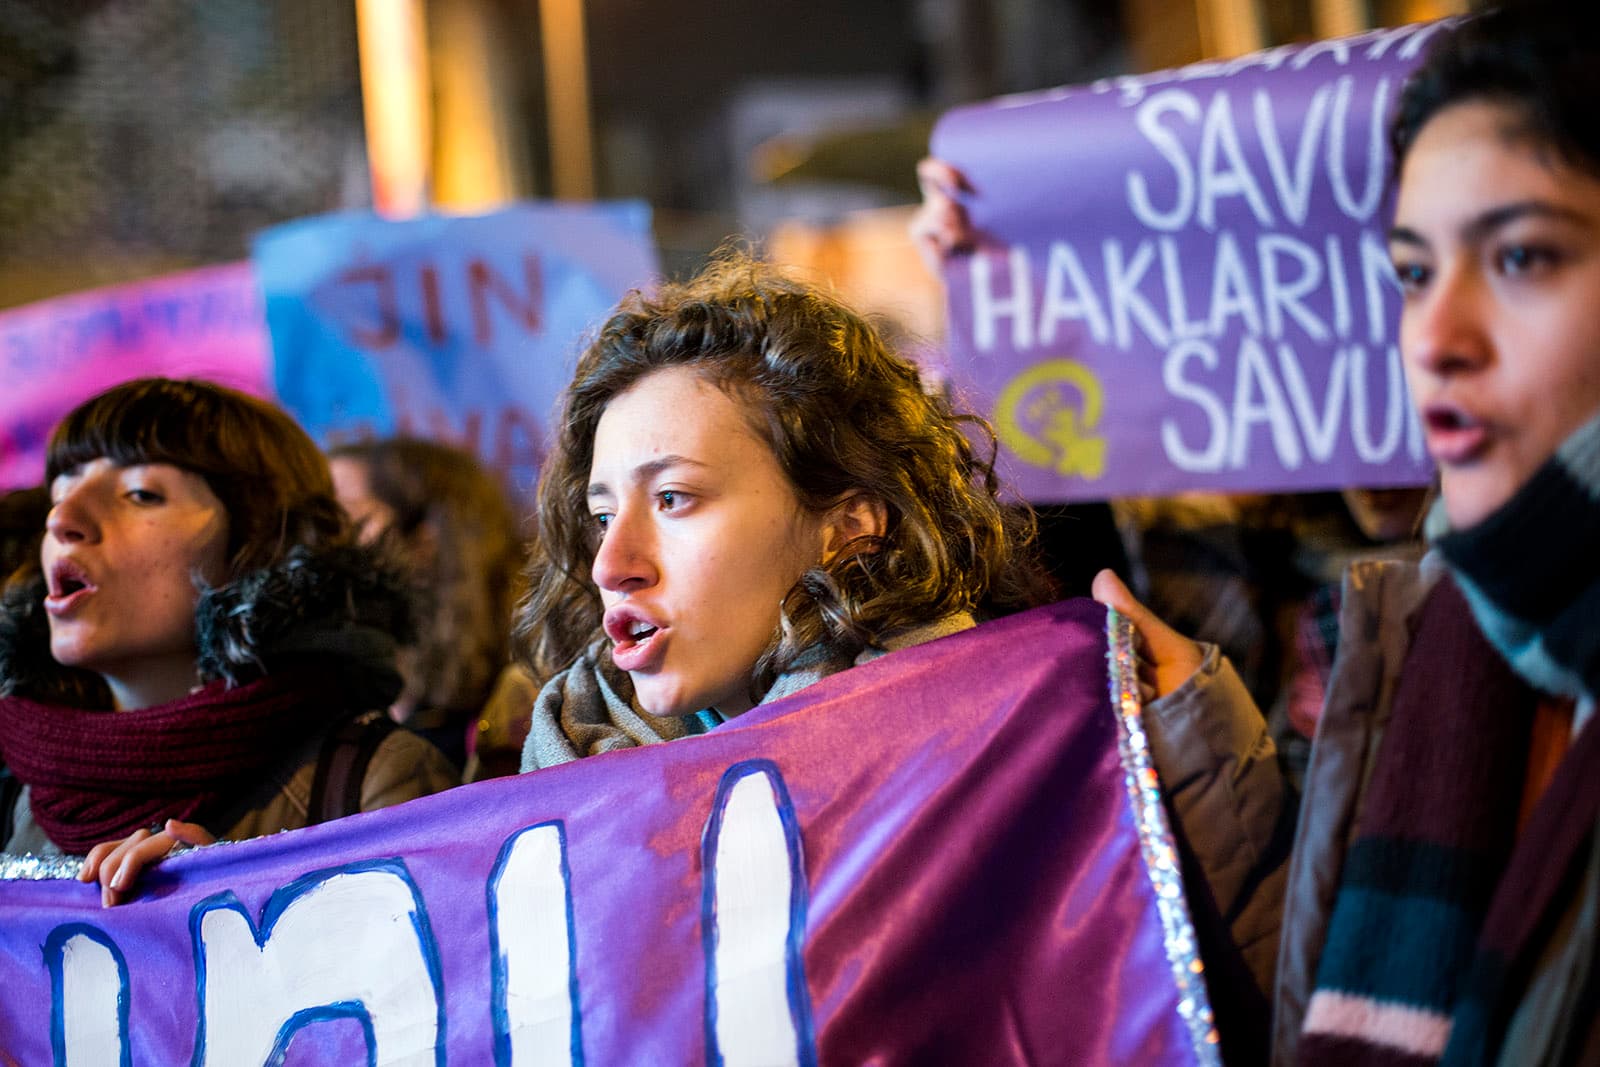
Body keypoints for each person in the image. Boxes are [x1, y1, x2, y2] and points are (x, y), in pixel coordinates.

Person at [916, 6, 1600, 1063]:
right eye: (1411, 271)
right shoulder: (1483, 622)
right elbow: (1302, 972)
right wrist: (1019, 315)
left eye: (1519, 257)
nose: (1434, 336)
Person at [515, 253, 1045, 770]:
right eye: (603, 517)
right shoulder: (566, 751)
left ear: (849, 529)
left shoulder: (1018, 753)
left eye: (672, 498)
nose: (610, 566)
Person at [0, 378, 458, 904]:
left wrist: (242, 916)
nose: (62, 518)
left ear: (257, 545)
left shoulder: (378, 780)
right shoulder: (13, 793)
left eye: (141, 493)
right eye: (58, 493)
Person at [328, 437, 537, 777]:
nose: (319, 545)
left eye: (347, 523)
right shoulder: (346, 684)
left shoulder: (522, 684)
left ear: (427, 540)